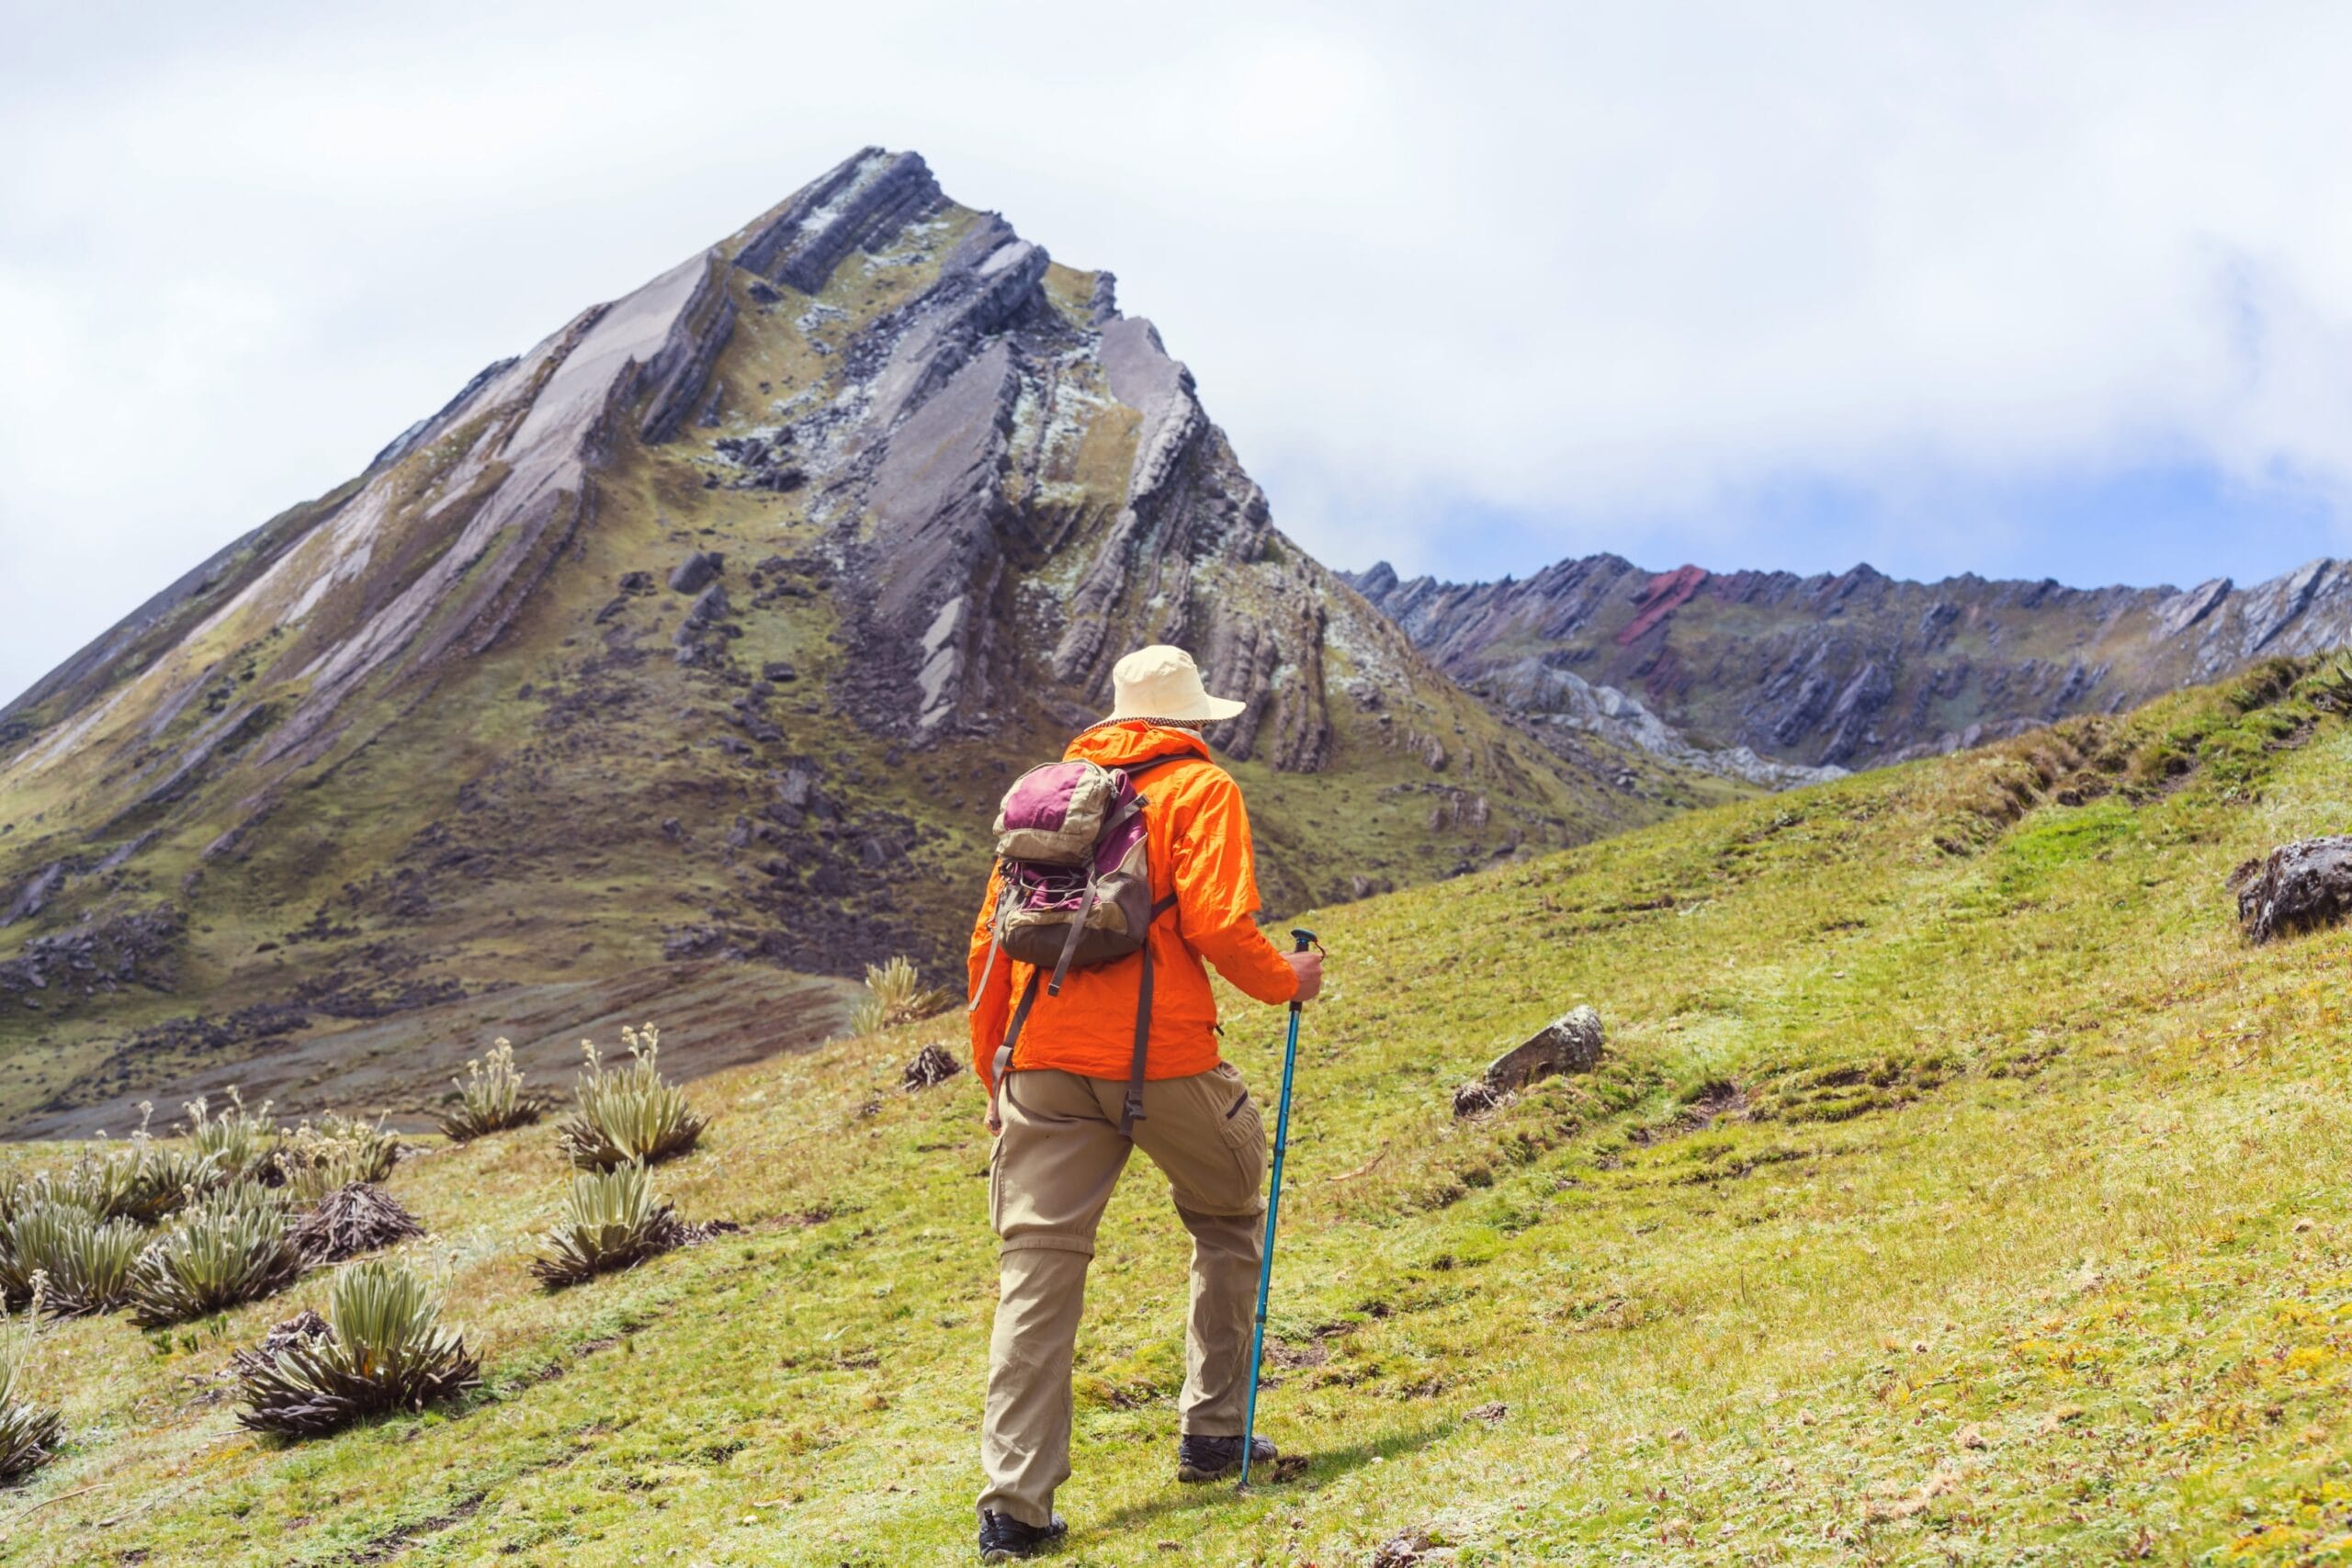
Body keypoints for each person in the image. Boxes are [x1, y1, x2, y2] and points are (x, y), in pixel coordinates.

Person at [968, 645, 1325, 1562]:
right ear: (1190, 720)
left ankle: (1016, 1511)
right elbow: (1214, 920)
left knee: (1037, 1277)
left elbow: (987, 953)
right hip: (1161, 1062)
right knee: (1228, 1216)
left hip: (1040, 1064)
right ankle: (1214, 1436)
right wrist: (1287, 982)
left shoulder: (1045, 801)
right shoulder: (1199, 794)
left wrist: (994, 1081)